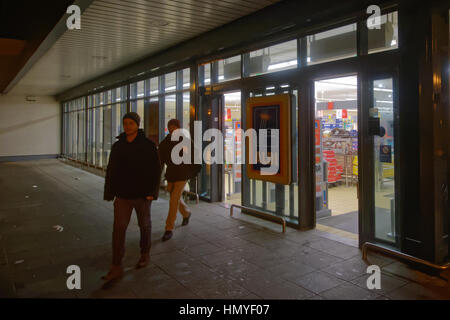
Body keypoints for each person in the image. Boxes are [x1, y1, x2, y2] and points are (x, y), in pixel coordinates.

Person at [103, 112, 161, 281]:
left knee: (144, 226)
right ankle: (116, 265)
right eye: (125, 123)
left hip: (142, 195)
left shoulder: (148, 145)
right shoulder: (118, 146)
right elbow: (111, 170)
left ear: (137, 125)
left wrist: (152, 193)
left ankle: (144, 254)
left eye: (130, 123)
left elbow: (155, 170)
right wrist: (109, 192)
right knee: (118, 229)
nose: (127, 126)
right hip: (122, 195)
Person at [158, 119, 201, 241]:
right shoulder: (165, 143)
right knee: (175, 198)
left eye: (174, 128)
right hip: (172, 175)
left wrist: (193, 172)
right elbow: (160, 160)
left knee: (173, 200)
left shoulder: (185, 141)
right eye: (170, 129)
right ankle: (186, 213)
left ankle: (169, 228)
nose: (172, 131)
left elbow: (195, 156)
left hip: (183, 174)